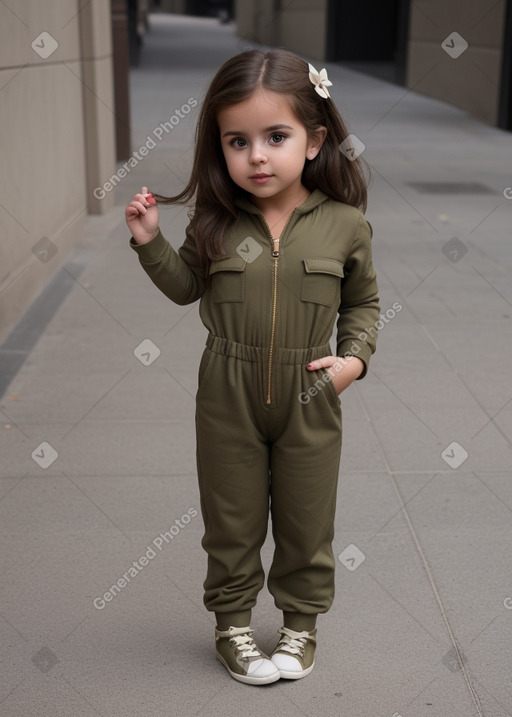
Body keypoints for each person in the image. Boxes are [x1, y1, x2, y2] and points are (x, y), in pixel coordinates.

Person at [125, 49, 380, 686]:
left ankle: (300, 626)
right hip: (226, 390)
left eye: (276, 137)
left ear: (316, 140)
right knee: (231, 516)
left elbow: (364, 303)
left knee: (306, 515)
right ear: (219, 146)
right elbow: (186, 289)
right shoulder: (213, 220)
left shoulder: (346, 225)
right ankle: (233, 627)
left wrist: (354, 360)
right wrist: (150, 241)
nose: (257, 156)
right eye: (238, 141)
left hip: (311, 389)